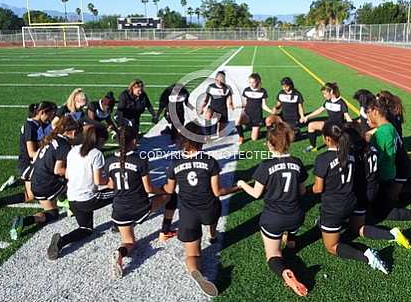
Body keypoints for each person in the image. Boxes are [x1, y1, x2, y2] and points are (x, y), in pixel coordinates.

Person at [163, 122, 240, 297]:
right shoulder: (210, 161)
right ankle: (212, 235)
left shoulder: (175, 162)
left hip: (188, 213)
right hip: (209, 209)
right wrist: (238, 187)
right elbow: (218, 192)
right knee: (214, 213)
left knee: (192, 254)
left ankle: (195, 272)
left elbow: (169, 190)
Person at [236, 122, 308, 297]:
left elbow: (255, 193)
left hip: (273, 218)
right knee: (291, 228)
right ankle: (290, 239)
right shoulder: (297, 162)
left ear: (269, 144)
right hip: (296, 215)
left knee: (273, 255)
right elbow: (303, 191)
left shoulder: (266, 166)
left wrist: (242, 183)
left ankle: (284, 272)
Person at [312, 121, 390, 274]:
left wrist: (308, 190)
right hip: (352, 203)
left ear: (327, 139)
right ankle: (389, 234)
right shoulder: (351, 155)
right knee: (356, 228)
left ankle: (367, 257)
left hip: (334, 209)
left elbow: (318, 189)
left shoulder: (323, 158)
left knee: (331, 247)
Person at [107, 126, 178, 279]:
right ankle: (165, 231)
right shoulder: (140, 160)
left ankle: (120, 253)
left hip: (119, 209)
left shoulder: (110, 161)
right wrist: (164, 189)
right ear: (134, 141)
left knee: (129, 243)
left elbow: (111, 184)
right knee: (170, 195)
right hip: (138, 206)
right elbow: (148, 188)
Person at [46, 124, 115, 260]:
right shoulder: (96, 154)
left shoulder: (73, 151)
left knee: (86, 229)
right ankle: (119, 224)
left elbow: (67, 175)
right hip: (88, 199)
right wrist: (111, 181)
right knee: (120, 192)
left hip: (72, 198)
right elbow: (98, 181)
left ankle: (62, 241)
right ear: (99, 140)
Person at [9, 116, 82, 240]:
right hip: (47, 185)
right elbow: (58, 170)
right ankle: (66, 202)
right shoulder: (64, 145)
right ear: (73, 132)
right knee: (76, 178)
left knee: (53, 214)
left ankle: (24, 221)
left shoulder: (51, 138)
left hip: (36, 183)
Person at [342, 123, 411, 249]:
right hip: (375, 186)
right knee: (378, 211)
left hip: (363, 192)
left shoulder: (354, 154)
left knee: (356, 227)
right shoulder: (372, 147)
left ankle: (391, 235)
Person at [0, 101, 57, 214]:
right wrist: (47, 149)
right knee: (40, 189)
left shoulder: (37, 124)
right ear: (42, 112)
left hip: (31, 163)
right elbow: (31, 152)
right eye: (50, 115)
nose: (50, 118)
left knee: (29, 195)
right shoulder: (30, 126)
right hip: (27, 164)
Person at [377, 90, 411, 184]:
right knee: (400, 164)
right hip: (397, 140)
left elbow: (387, 128)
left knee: (398, 172)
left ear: (384, 102)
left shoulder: (390, 115)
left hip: (395, 142)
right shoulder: (393, 109)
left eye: (377, 101)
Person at [303, 82, 352, 153]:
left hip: (336, 127)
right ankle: (313, 146)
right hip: (328, 124)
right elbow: (319, 110)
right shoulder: (327, 102)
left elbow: (347, 116)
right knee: (311, 125)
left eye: (325, 93)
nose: (324, 95)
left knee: (335, 145)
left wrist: (352, 128)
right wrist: (307, 117)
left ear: (331, 92)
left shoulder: (341, 103)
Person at [236, 73, 272, 144]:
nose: (251, 84)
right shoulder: (246, 90)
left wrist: (272, 112)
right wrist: (238, 106)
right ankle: (241, 137)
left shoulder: (262, 91)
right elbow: (245, 103)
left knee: (254, 138)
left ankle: (263, 123)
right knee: (237, 119)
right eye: (250, 82)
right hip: (247, 116)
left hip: (257, 118)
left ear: (258, 82)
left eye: (253, 82)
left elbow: (264, 105)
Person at [200, 71, 234, 137]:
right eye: (218, 79)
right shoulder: (211, 87)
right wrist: (202, 108)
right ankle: (207, 134)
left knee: (221, 135)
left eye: (222, 79)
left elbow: (230, 101)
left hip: (222, 110)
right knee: (208, 114)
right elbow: (206, 99)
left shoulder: (227, 88)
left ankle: (218, 126)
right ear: (215, 78)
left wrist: (232, 107)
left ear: (224, 79)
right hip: (212, 108)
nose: (219, 81)